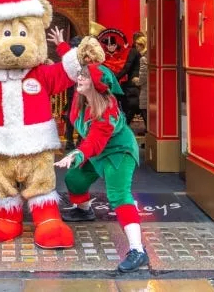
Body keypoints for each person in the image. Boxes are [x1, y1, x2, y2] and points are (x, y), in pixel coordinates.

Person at [54, 62, 148, 273]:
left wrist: (77, 154)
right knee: (74, 180)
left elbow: (95, 141)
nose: (80, 78)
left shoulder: (107, 111)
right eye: (80, 75)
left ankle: (138, 250)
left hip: (118, 152)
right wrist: (62, 47)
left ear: (96, 84)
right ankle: (85, 211)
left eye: (85, 77)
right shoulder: (80, 100)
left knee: (119, 195)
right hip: (96, 151)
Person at [116, 32, 144, 125]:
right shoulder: (146, 52)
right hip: (142, 82)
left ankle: (124, 126)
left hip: (133, 82)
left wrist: (116, 77)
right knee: (141, 107)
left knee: (131, 107)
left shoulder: (133, 51)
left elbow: (127, 67)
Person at [136, 34, 148, 131]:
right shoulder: (148, 56)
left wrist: (137, 81)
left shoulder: (143, 58)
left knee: (144, 110)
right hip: (149, 87)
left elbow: (143, 76)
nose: (137, 48)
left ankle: (147, 132)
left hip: (145, 89)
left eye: (138, 46)